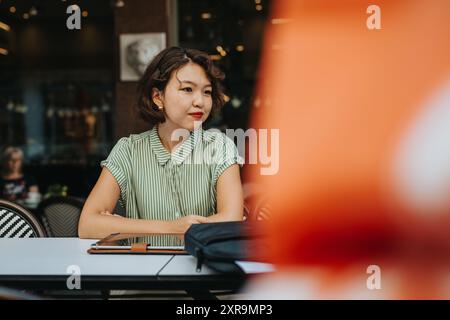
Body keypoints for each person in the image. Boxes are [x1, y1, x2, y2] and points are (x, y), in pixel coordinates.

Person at [78, 47, 244, 243]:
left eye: (206, 92)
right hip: (143, 272)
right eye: (187, 89)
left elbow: (231, 222)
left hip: (200, 270)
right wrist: (173, 228)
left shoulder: (220, 147)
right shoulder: (128, 150)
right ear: (158, 97)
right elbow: (88, 225)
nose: (200, 101)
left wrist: (122, 225)